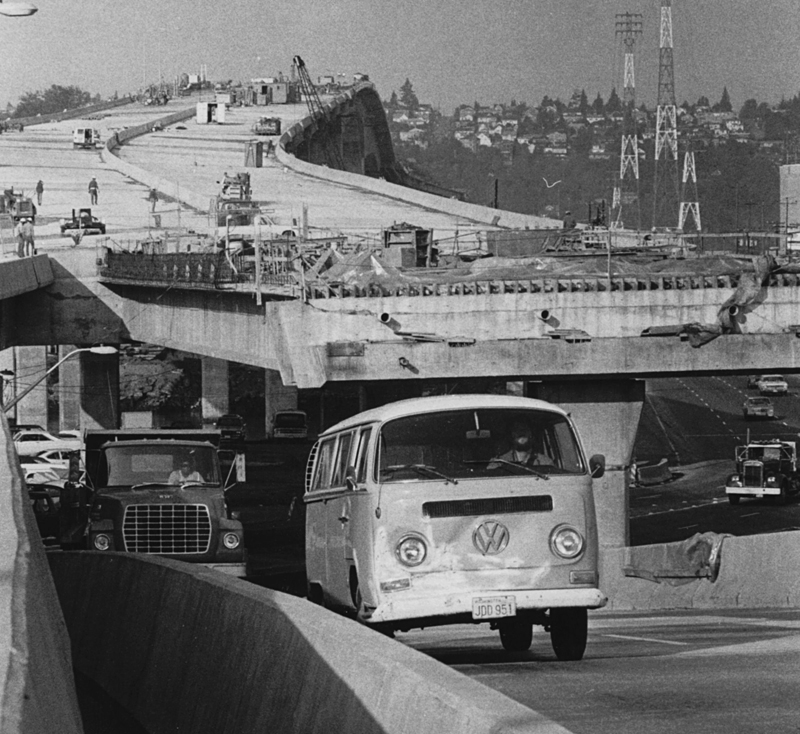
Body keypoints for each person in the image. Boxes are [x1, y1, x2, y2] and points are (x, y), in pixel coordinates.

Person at [488, 420, 553, 470]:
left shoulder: (546, 462)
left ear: (532, 434)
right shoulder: (499, 462)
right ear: (511, 435)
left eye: (524, 429)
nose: (521, 433)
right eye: (517, 429)